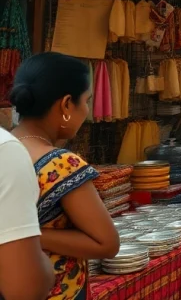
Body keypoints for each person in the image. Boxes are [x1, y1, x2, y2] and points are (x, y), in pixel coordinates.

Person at [9, 52, 120, 300]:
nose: (87, 109)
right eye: (86, 100)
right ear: (67, 104)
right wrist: (31, 237)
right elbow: (107, 244)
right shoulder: (61, 165)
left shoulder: (5, 147)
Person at [0, 126, 55, 300]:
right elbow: (25, 290)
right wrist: (42, 261)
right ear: (66, 105)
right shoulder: (6, 151)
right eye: (85, 101)